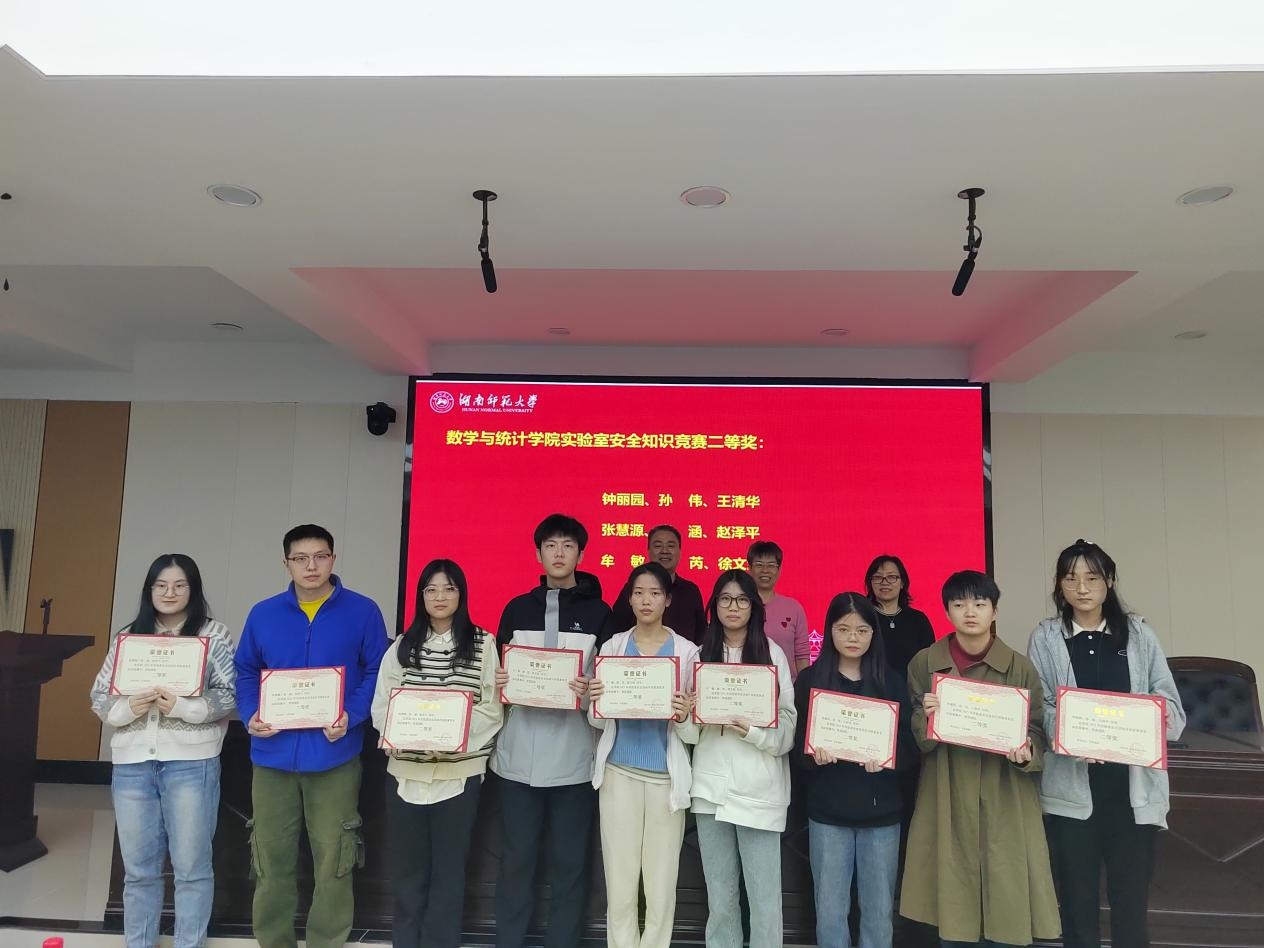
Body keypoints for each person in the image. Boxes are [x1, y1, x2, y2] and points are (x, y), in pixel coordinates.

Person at [234, 524, 390, 948]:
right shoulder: (263, 613)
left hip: (334, 755)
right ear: (286, 563)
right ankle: (274, 941)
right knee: (270, 861)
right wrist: (250, 713)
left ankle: (327, 941)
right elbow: (245, 670)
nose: (311, 566)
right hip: (272, 756)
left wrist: (351, 716)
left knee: (335, 861)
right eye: (300, 558)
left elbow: (378, 670)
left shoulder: (362, 611)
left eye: (320, 556)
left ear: (333, 559)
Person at [1027, 540, 1185, 948]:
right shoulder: (1046, 637)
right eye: (1071, 578)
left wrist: (1149, 720)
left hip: (1131, 796)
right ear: (1059, 585)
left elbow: (1171, 708)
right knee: (1076, 908)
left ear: (1110, 581)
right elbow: (1041, 706)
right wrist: (1072, 735)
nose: (1082, 588)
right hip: (1071, 797)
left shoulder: (1139, 634)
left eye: (1092, 577)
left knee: (1130, 908)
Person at [899, 570, 1060, 948]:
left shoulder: (1020, 667)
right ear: (946, 611)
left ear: (995, 611)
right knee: (951, 904)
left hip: (1006, 795)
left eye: (979, 603)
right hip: (946, 791)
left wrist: (1026, 752)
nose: (969, 612)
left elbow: (1037, 730)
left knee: (1006, 897)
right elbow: (915, 735)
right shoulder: (924, 663)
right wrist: (927, 718)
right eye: (959, 604)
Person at [90, 554, 236, 948]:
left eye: (179, 585)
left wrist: (184, 708)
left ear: (193, 589)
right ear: (149, 590)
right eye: (161, 585)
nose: (169, 593)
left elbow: (229, 694)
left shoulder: (213, 634)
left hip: (192, 763)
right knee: (138, 871)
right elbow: (99, 696)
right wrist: (128, 708)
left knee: (192, 869)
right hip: (132, 764)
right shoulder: (128, 637)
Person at [490, 514, 609, 948]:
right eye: (551, 545)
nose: (559, 553)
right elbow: (496, 675)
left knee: (570, 864)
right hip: (517, 759)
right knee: (516, 861)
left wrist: (591, 689)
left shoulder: (600, 613)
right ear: (538, 553)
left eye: (568, 545)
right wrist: (500, 682)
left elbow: (608, 684)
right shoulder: (516, 608)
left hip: (574, 761)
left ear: (581, 553)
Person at [372, 559, 504, 948]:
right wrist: (403, 735)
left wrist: (449, 738)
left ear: (461, 594)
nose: (440, 596)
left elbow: (491, 708)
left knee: (449, 875)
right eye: (431, 589)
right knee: (407, 875)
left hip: (458, 777)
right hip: (406, 775)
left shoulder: (483, 643)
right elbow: (382, 704)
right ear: (421, 596)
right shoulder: (402, 645)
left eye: (449, 588)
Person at [793, 592, 916, 948]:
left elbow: (911, 751)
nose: (852, 638)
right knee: (830, 912)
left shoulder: (891, 682)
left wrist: (888, 758)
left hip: (881, 815)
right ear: (829, 630)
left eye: (862, 630)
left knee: (878, 912)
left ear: (873, 634)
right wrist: (812, 756)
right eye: (843, 629)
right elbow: (795, 749)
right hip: (827, 814)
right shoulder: (811, 681)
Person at [683, 569, 796, 948]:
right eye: (726, 599)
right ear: (714, 605)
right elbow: (689, 736)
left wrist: (753, 732)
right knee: (721, 900)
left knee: (764, 901)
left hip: (759, 791)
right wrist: (686, 716)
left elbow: (788, 730)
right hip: (710, 790)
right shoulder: (699, 656)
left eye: (743, 599)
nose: (734, 607)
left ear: (754, 606)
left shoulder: (772, 654)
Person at [589, 562, 699, 948]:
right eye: (638, 592)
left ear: (667, 600)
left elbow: (693, 731)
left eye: (654, 593)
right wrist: (595, 701)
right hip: (618, 774)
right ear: (630, 599)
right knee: (619, 884)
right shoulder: (613, 647)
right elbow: (597, 720)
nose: (646, 600)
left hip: (666, 779)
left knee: (660, 885)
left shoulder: (687, 652)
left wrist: (684, 715)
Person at [606, 524, 707, 644]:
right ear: (648, 551)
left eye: (671, 546)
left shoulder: (690, 591)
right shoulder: (632, 588)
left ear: (680, 551)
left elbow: (701, 635)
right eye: (658, 546)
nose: (664, 551)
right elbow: (616, 627)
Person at [747, 540, 811, 677]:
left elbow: (802, 654)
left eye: (771, 565)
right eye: (759, 565)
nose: (765, 570)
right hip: (747, 684)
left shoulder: (793, 608)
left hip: (786, 686)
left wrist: (803, 685)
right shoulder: (740, 606)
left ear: (779, 569)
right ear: (749, 568)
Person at [864, 554, 936, 674]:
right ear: (870, 582)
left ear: (902, 583)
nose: (884, 582)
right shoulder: (862, 617)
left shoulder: (918, 620)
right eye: (877, 577)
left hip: (912, 685)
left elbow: (930, 661)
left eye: (891, 577)